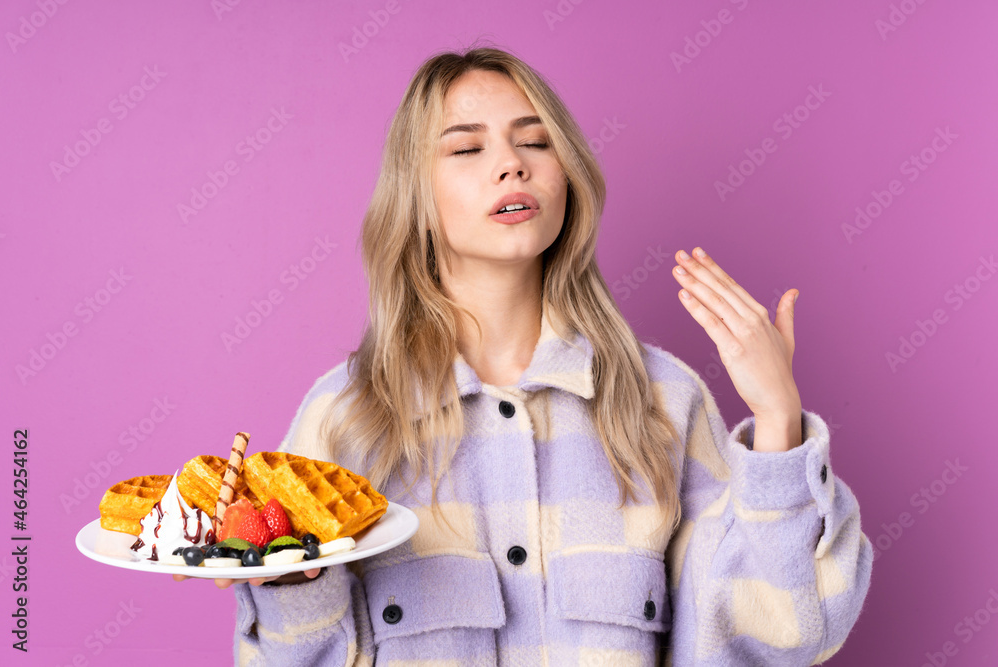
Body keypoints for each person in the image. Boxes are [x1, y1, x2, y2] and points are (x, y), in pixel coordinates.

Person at [181, 44, 873, 665]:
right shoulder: (345, 419)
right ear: (417, 198)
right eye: (466, 148)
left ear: (566, 180)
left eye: (534, 142)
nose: (511, 163)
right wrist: (285, 583)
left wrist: (778, 420)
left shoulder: (665, 400)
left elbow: (779, 637)